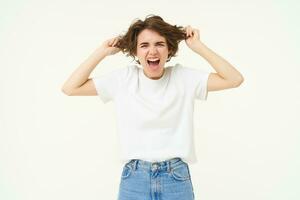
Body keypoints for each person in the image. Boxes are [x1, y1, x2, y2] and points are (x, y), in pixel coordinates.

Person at [61, 15, 244, 200]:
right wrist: (102, 51)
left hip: (176, 178)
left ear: (169, 49)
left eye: (159, 44)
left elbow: (234, 79)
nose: (153, 51)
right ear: (135, 51)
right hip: (134, 178)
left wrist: (198, 47)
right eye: (144, 45)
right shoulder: (123, 80)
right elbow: (70, 88)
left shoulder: (184, 78)